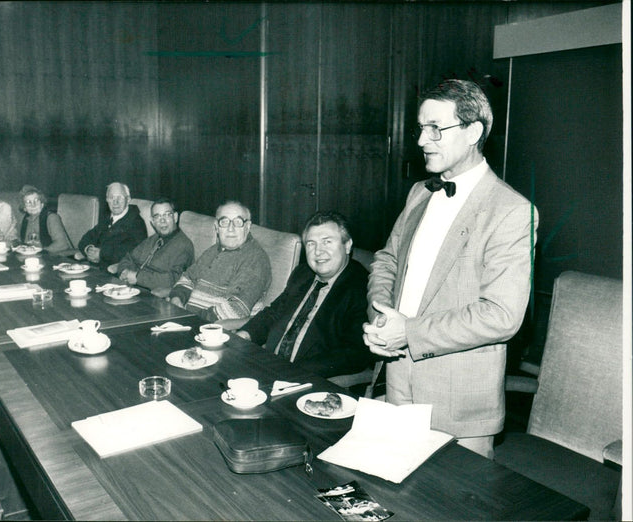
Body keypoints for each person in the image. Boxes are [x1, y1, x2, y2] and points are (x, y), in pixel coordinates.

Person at [362, 79, 538, 459]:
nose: (423, 140)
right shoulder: (419, 193)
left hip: (459, 401)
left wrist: (406, 332)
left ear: (473, 131)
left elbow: (502, 316)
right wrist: (381, 313)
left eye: (436, 129)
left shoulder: (511, 211)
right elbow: (386, 259)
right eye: (421, 129)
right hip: (398, 381)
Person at [231, 211, 372, 378]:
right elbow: (274, 312)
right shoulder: (303, 273)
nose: (318, 251)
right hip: (268, 366)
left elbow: (354, 353)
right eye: (311, 244)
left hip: (310, 380)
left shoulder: (362, 287)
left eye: (327, 242)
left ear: (347, 245)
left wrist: (294, 372)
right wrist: (244, 335)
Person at [168, 200, 271, 322]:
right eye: (224, 222)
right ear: (217, 227)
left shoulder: (255, 259)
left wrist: (191, 319)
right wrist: (177, 299)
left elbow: (237, 309)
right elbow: (188, 278)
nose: (230, 229)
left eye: (238, 222)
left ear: (247, 227)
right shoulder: (213, 250)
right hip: (188, 319)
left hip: (218, 332)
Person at [108, 197, 194, 293]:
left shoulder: (184, 245)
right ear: (152, 222)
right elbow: (128, 258)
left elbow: (174, 280)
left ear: (175, 217)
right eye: (157, 216)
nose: (162, 220)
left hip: (154, 297)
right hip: (132, 289)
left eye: (167, 215)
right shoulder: (153, 239)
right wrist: (125, 272)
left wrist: (137, 277)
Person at [75, 182, 147, 269]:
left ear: (128, 200)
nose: (115, 202)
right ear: (107, 200)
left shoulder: (136, 222)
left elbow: (134, 252)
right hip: (95, 268)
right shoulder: (107, 218)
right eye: (111, 197)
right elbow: (86, 238)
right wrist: (89, 249)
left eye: (119, 198)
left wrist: (102, 254)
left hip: (115, 273)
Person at [18, 185, 72, 253]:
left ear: (42, 204)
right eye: (28, 202)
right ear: (24, 208)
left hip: (49, 257)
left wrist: (41, 252)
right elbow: (21, 241)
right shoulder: (25, 219)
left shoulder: (51, 218)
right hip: (30, 257)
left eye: (36, 200)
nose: (33, 205)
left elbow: (62, 244)